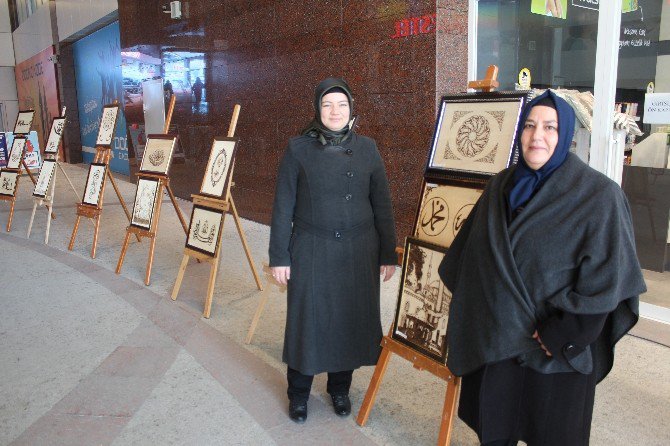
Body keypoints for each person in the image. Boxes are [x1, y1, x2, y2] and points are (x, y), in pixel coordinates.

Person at [438, 90, 646, 446]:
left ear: (566, 134)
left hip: (550, 347)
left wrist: (563, 334)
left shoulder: (599, 196)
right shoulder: (500, 185)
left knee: (550, 433)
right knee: (496, 428)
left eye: (550, 127)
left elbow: (607, 282)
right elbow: (469, 259)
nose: (538, 136)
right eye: (530, 125)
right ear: (519, 131)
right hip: (497, 340)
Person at [269, 77, 397, 423]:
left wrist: (389, 253)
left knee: (349, 320)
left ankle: (339, 388)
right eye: (327, 105)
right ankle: (298, 393)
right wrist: (279, 255)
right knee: (306, 322)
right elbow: (283, 205)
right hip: (312, 247)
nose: (335, 111)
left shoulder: (368, 148)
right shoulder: (298, 149)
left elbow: (382, 205)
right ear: (317, 109)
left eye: (341, 104)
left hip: (359, 250)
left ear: (352, 109)